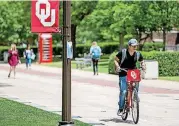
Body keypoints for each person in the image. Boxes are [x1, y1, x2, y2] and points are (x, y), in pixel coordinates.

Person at [114, 38, 146, 115]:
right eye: (133, 46)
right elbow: (115, 59)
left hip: (133, 72)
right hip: (123, 72)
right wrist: (117, 66)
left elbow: (142, 61)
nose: (135, 47)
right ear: (129, 46)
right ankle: (121, 108)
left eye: (136, 46)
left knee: (135, 86)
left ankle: (135, 96)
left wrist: (143, 65)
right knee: (124, 91)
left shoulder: (138, 54)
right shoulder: (123, 52)